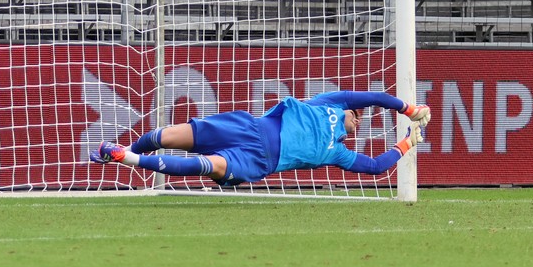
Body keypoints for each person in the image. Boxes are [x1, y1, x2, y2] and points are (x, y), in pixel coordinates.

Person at [88, 90, 430, 186]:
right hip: (248, 127)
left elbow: (374, 166)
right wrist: (408, 108)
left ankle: (127, 159)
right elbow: (376, 98)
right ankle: (123, 152)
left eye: (361, 118)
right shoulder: (332, 102)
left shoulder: (337, 152)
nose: (360, 117)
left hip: (259, 160)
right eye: (360, 112)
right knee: (167, 135)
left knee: (209, 166)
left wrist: (407, 143)